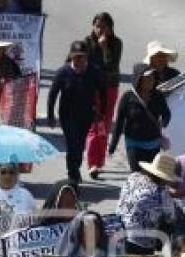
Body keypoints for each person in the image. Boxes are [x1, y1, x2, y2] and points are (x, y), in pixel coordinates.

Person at [47, 40, 106, 184]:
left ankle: (75, 167)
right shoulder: (63, 72)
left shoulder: (94, 71)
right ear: (71, 56)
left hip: (86, 116)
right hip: (67, 115)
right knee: (72, 143)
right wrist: (50, 116)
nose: (79, 60)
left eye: (82, 56)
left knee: (79, 145)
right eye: (76, 56)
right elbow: (53, 94)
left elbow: (103, 92)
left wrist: (101, 112)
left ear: (87, 57)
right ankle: (72, 173)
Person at [116, 152, 184, 255]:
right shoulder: (161, 194)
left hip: (118, 228)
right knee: (172, 225)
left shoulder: (133, 176)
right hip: (140, 242)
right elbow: (171, 218)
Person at [108, 63, 170, 173]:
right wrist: (113, 146)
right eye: (147, 78)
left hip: (153, 145)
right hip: (133, 144)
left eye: (152, 77)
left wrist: (163, 122)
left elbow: (166, 114)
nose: (151, 80)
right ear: (139, 79)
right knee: (136, 176)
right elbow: (119, 124)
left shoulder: (158, 96)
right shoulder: (128, 97)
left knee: (151, 177)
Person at [83, 11, 122, 180]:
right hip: (92, 89)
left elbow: (111, 66)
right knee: (93, 125)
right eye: (97, 26)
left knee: (104, 127)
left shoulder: (116, 43)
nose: (100, 30)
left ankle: (100, 162)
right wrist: (97, 47)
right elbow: (85, 63)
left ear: (110, 29)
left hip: (110, 88)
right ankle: (92, 163)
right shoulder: (87, 42)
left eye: (104, 27)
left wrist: (105, 48)